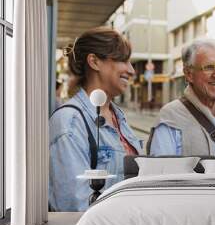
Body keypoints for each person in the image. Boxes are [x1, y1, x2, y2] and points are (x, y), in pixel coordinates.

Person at [49, 27, 144, 212]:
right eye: (122, 60)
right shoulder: (71, 123)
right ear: (94, 62)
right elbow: (74, 207)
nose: (131, 70)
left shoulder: (118, 116)